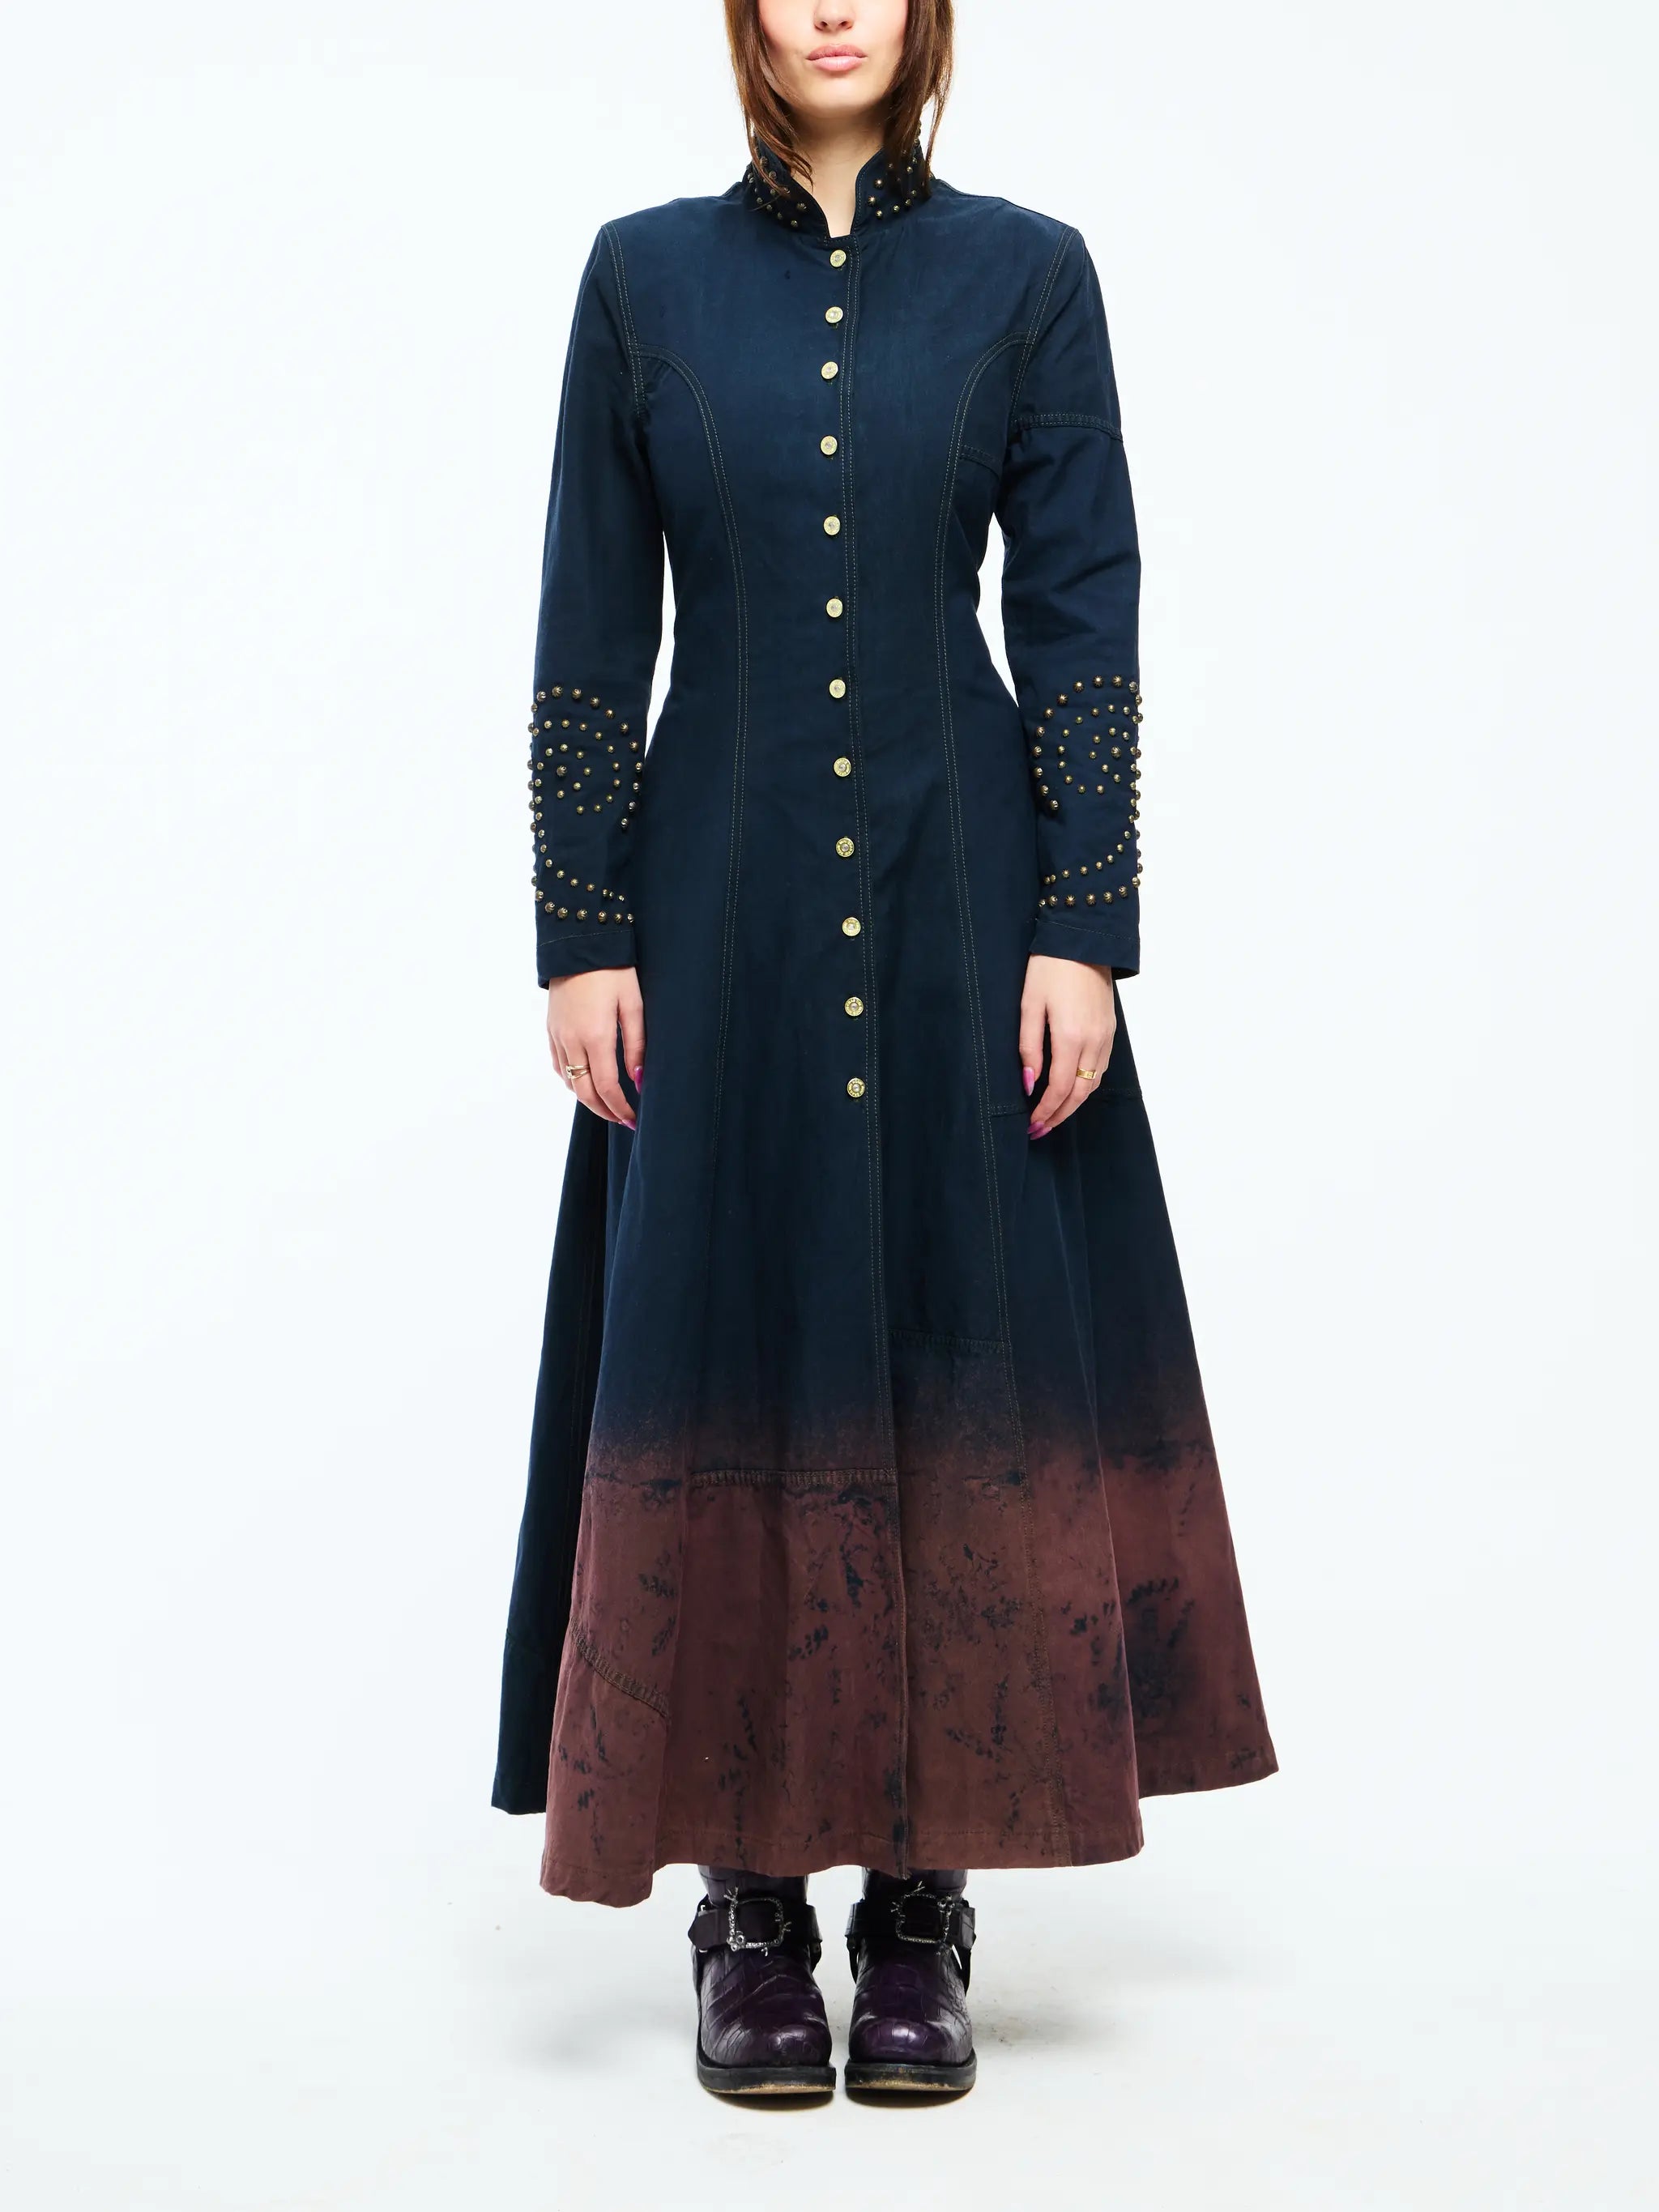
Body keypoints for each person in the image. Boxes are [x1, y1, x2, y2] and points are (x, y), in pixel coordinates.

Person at [493, 0, 1277, 2099]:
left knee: (956, 1337)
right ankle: (748, 1900)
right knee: (732, 1339)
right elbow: (591, 624)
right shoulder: (642, 278)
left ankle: (923, 1896)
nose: (831, 4)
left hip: (964, 897)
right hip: (716, 905)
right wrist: (583, 927)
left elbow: (1084, 605)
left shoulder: (1029, 274)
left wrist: (1083, 920)